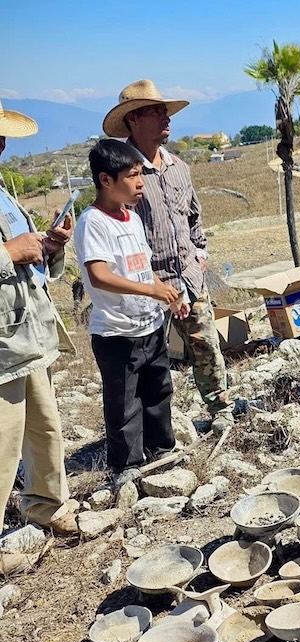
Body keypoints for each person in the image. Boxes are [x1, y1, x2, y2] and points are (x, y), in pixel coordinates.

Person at [102, 80, 235, 433]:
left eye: (165, 111)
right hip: (149, 284)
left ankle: (220, 408)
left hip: (189, 277)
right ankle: (155, 427)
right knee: (150, 360)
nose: (166, 118)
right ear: (133, 120)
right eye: (156, 112)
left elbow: (193, 215)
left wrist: (200, 252)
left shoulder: (178, 167)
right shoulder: (125, 173)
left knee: (205, 347)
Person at [74, 140, 188, 487]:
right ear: (106, 180)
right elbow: (100, 275)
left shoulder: (132, 217)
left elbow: (143, 268)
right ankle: (127, 468)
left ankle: (161, 450)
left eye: (141, 174)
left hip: (149, 325)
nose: (140, 182)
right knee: (124, 403)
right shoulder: (93, 222)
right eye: (132, 176)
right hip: (116, 332)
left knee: (158, 390)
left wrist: (166, 294)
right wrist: (152, 290)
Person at [0, 101, 78, 535]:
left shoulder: (2, 193)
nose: (2, 144)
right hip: (2, 346)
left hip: (27, 336)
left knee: (44, 429)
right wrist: (9, 253)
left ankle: (47, 507)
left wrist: (51, 246)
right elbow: (11, 255)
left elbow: (32, 266)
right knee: (2, 446)